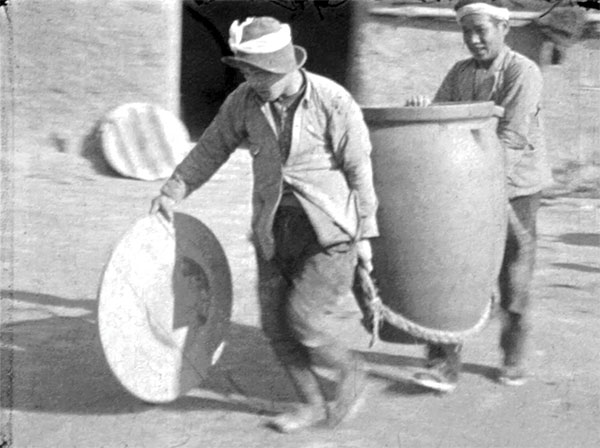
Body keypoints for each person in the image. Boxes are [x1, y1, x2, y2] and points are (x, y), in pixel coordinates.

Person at [150, 17, 379, 432]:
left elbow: (359, 170)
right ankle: (310, 403)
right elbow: (211, 148)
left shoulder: (334, 101)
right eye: (246, 70)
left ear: (285, 64)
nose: (252, 79)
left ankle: (350, 371)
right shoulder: (244, 102)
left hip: (328, 234)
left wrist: (365, 233)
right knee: (275, 327)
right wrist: (174, 189)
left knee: (305, 321)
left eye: (260, 71)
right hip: (273, 231)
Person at [406, 0, 551, 392]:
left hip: (515, 189)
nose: (473, 39)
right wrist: (424, 110)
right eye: (466, 31)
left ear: (503, 28)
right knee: (452, 275)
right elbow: (441, 121)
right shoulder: (459, 72)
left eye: (481, 30)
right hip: (468, 188)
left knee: (513, 279)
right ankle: (442, 365)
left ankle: (513, 355)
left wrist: (474, 188)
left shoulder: (524, 72)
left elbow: (513, 137)